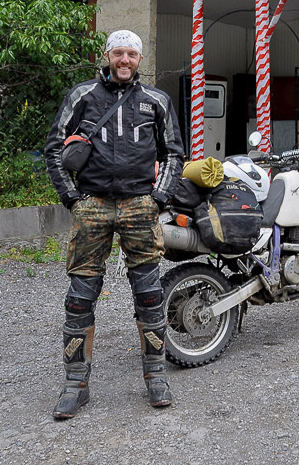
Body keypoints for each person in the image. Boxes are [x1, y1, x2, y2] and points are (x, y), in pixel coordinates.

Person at [44, 29, 184, 420]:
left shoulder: (157, 100)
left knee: (150, 294)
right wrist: (71, 197)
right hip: (92, 205)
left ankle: (156, 376)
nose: (124, 60)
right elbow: (55, 147)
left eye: (132, 54)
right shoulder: (83, 95)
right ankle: (76, 384)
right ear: (107, 55)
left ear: (140, 59)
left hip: (140, 205)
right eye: (118, 53)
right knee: (79, 296)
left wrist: (158, 198)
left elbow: (174, 153)